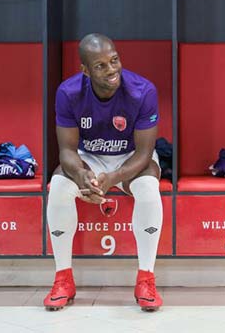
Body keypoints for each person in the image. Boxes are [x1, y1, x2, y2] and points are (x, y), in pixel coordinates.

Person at [44, 33, 163, 312]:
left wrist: (114, 178)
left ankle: (146, 279)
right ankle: (63, 279)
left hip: (131, 157)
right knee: (59, 187)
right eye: (100, 66)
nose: (111, 70)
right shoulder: (68, 92)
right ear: (85, 70)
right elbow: (67, 151)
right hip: (90, 158)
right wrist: (81, 174)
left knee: (148, 189)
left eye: (114, 60)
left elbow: (145, 153)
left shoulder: (142, 90)